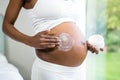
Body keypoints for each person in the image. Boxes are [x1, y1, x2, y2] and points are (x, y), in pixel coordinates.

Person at [2, 0, 104, 80]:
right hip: (51, 70)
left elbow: (69, 24)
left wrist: (83, 44)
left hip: (78, 71)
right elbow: (6, 25)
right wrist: (30, 41)